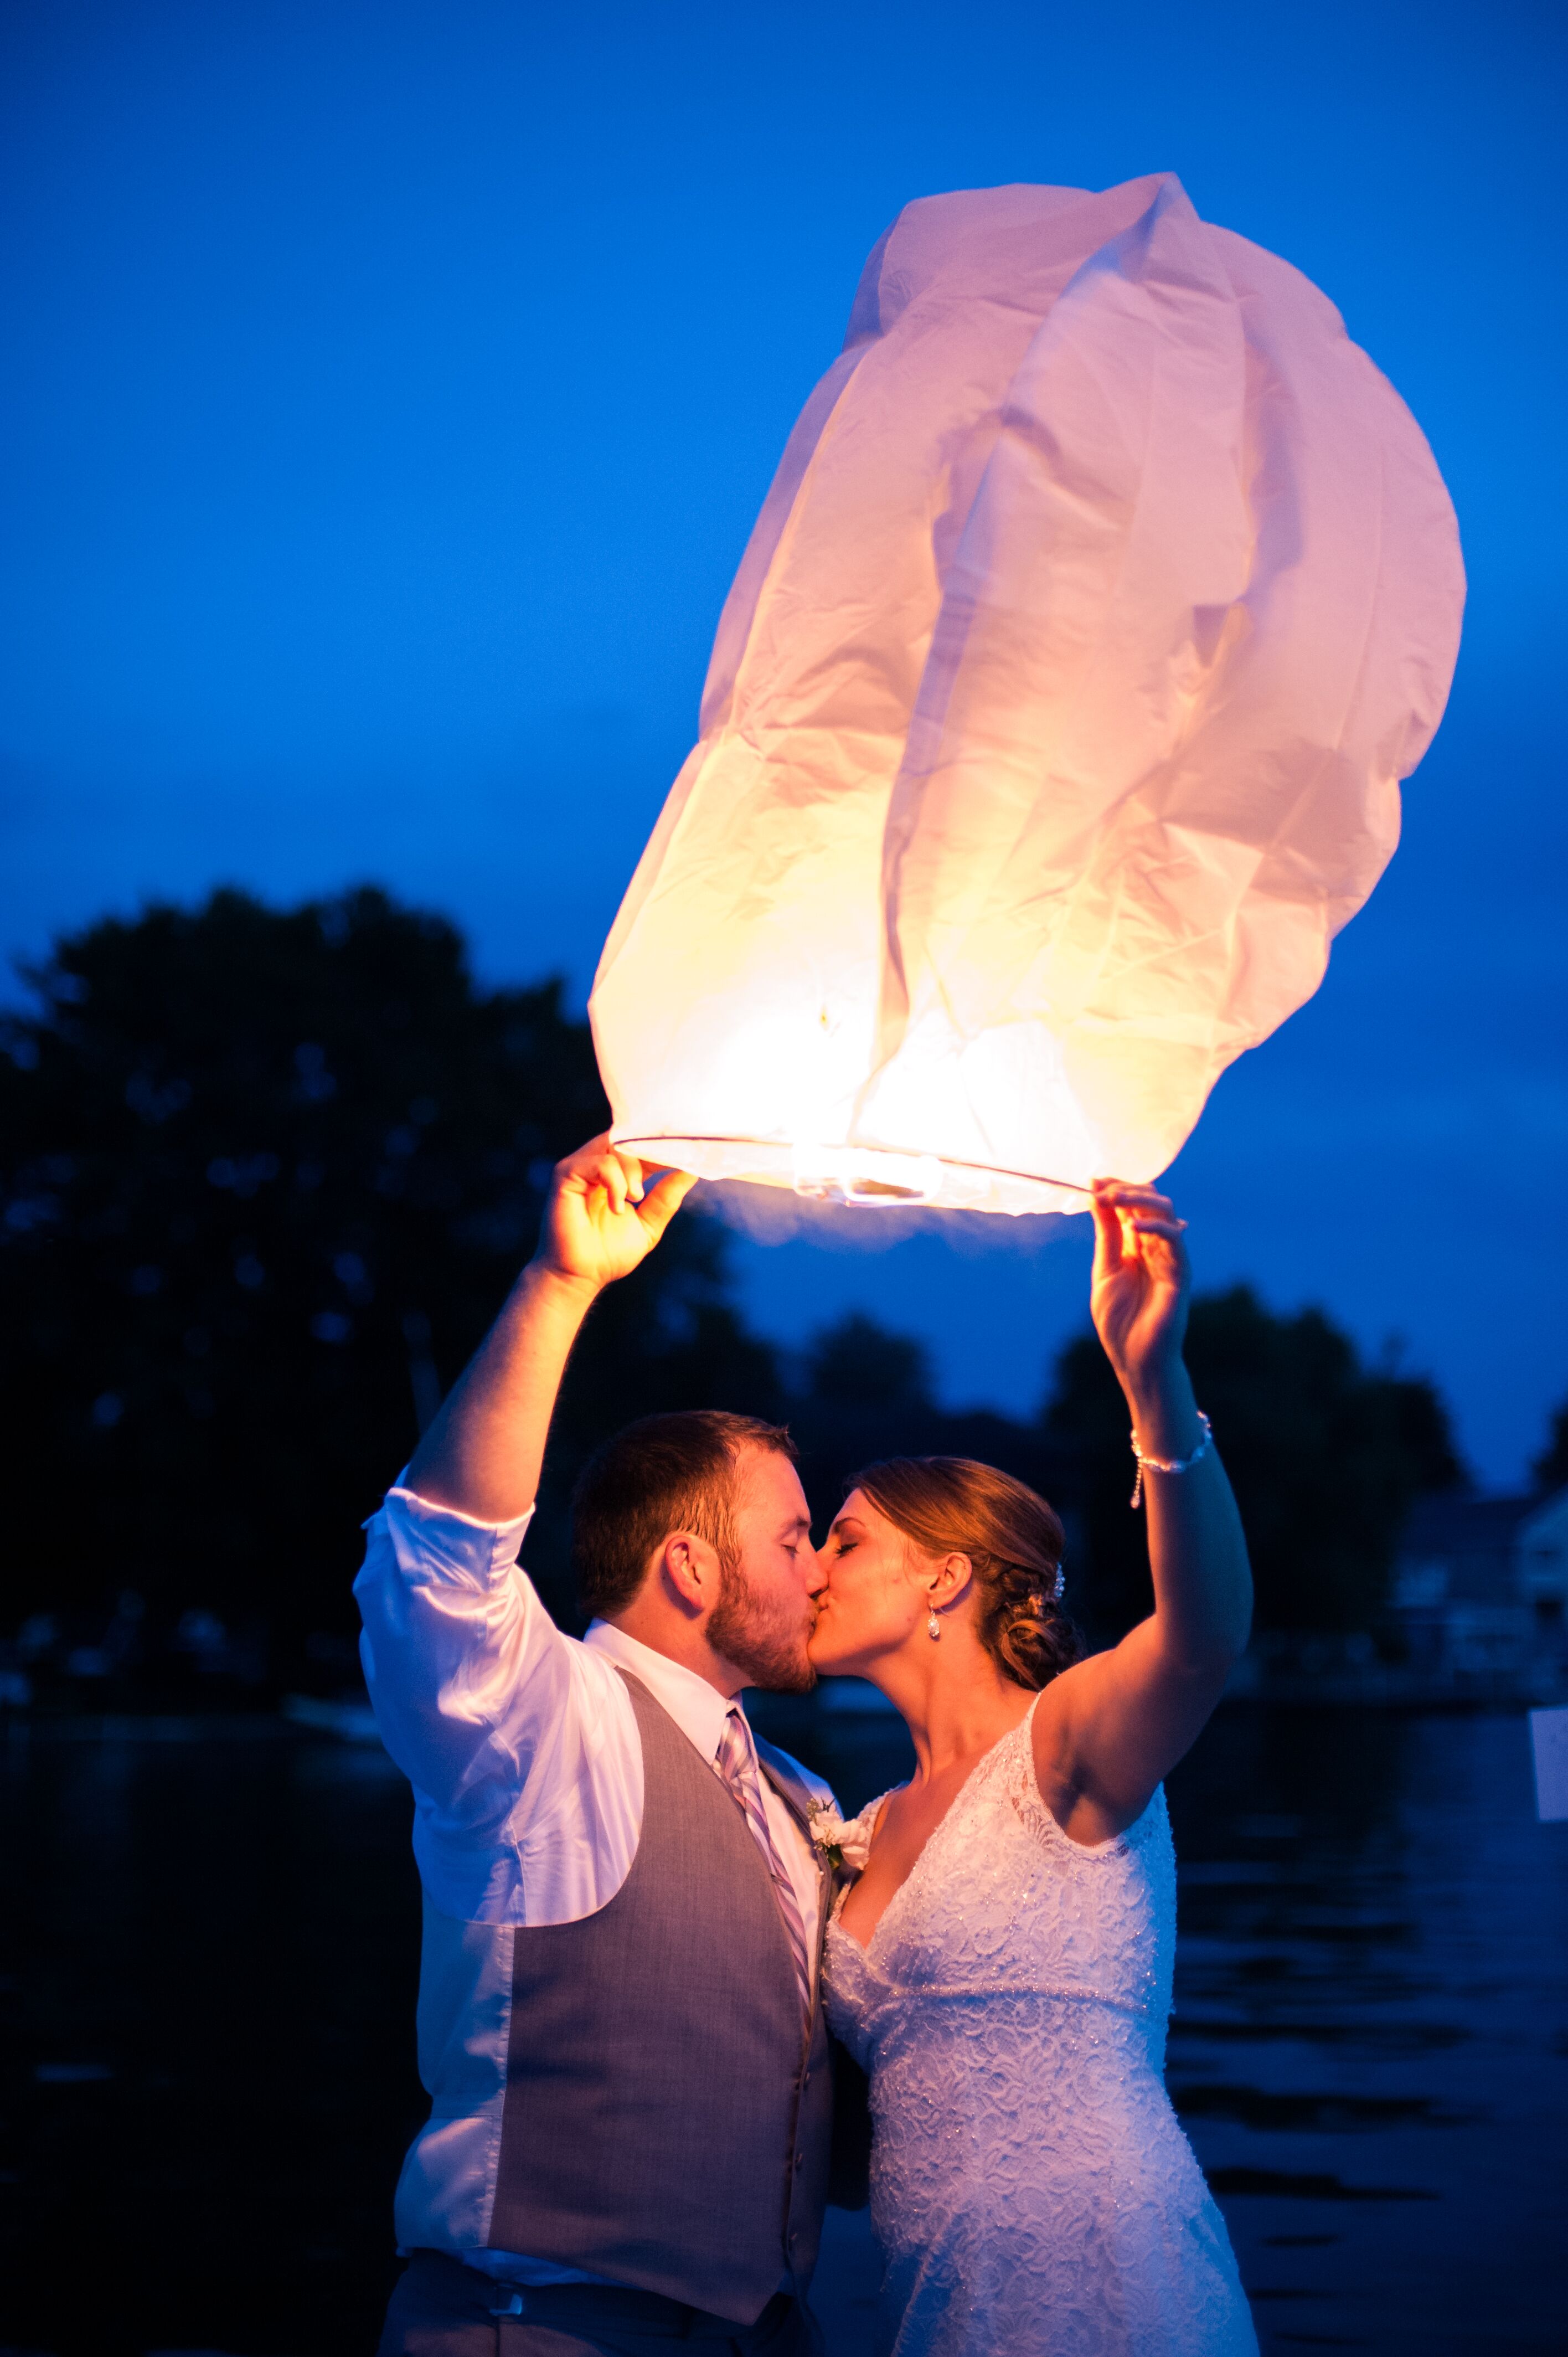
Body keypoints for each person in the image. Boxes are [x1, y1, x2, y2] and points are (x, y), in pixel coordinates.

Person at [355, 1135, 862, 2357]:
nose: (822, 1569)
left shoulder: (803, 1797)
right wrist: (560, 1284)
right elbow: (435, 1572)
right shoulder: (550, 1729)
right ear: (690, 1564)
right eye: (795, 1537)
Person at [809, 1180, 1259, 2356]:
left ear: (944, 1580)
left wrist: (1153, 1383)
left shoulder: (1060, 1748)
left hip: (1112, 2276)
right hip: (937, 2301)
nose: (811, 1564)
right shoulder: (854, 1828)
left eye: (846, 1539)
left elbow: (1206, 1633)